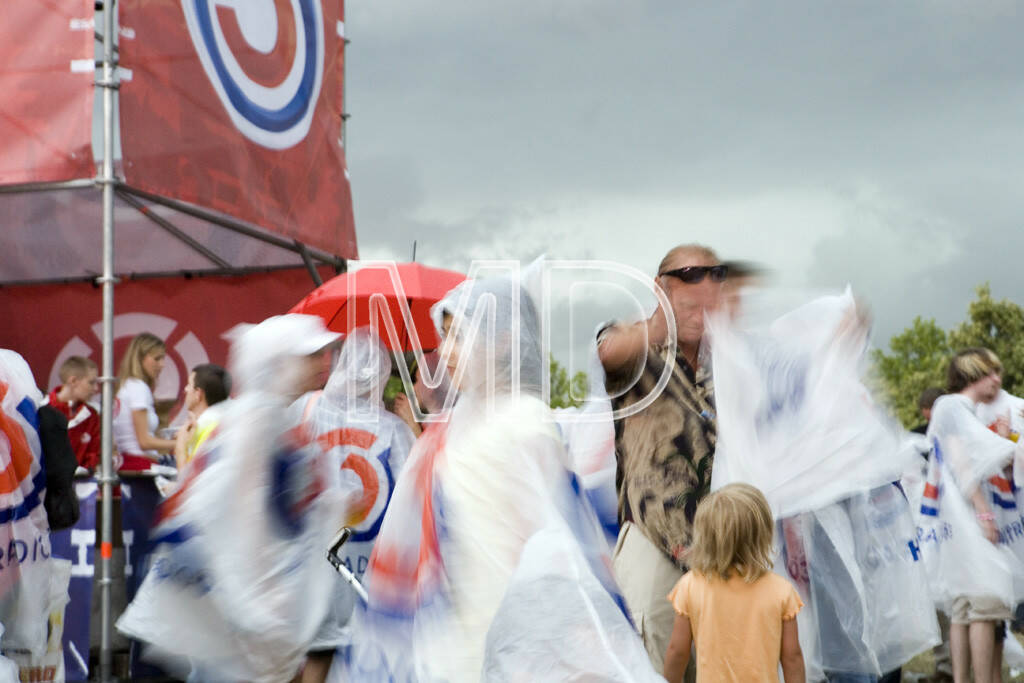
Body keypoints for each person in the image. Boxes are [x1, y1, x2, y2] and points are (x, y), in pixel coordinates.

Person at [346, 272, 659, 682]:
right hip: (456, 639)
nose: (448, 352)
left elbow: (561, 543)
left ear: (504, 341)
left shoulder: (526, 422)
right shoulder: (453, 427)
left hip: (514, 639)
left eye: (460, 336)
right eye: (446, 338)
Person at [117, 315, 348, 683]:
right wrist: (256, 611)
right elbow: (219, 517)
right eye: (310, 355)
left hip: (252, 616)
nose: (323, 362)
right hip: (240, 619)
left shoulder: (272, 417)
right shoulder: (254, 423)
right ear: (277, 364)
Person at [597, 243, 724, 673]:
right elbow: (610, 350)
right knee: (647, 667)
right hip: (655, 539)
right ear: (660, 288)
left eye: (714, 278)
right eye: (689, 279)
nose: (704, 288)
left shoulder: (727, 360)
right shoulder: (639, 349)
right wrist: (659, 325)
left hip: (720, 549)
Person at [299, 328, 416, 683]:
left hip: (319, 558)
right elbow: (413, 490)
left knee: (318, 650)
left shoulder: (311, 413)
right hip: (373, 566)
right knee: (371, 653)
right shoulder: (394, 430)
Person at [924, 348, 1024, 683]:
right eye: (990, 372)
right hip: (968, 524)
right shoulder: (952, 407)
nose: (998, 379)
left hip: (955, 527)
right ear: (971, 374)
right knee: (986, 601)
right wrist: (984, 512)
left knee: (964, 608)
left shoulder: (958, 410)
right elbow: (962, 461)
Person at [664, 483, 804, 683]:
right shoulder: (781, 591)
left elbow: (677, 651)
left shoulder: (691, 586)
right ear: (762, 534)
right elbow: (792, 658)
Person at [113, 333, 175, 471]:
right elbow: (144, 442)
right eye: (157, 359)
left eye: (163, 359)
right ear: (140, 358)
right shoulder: (138, 387)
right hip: (140, 465)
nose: (162, 365)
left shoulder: (127, 386)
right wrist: (180, 443)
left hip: (129, 463)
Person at [42, 355, 100, 471]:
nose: (96, 389)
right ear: (73, 381)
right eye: (91, 383)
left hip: (82, 485)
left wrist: (86, 470)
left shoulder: (92, 415)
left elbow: (95, 455)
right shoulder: (42, 409)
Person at [173, 363, 231, 470]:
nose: (185, 389)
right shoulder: (227, 420)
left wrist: (180, 447)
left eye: (189, 385)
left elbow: (190, 484)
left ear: (198, 394)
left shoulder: (203, 427)